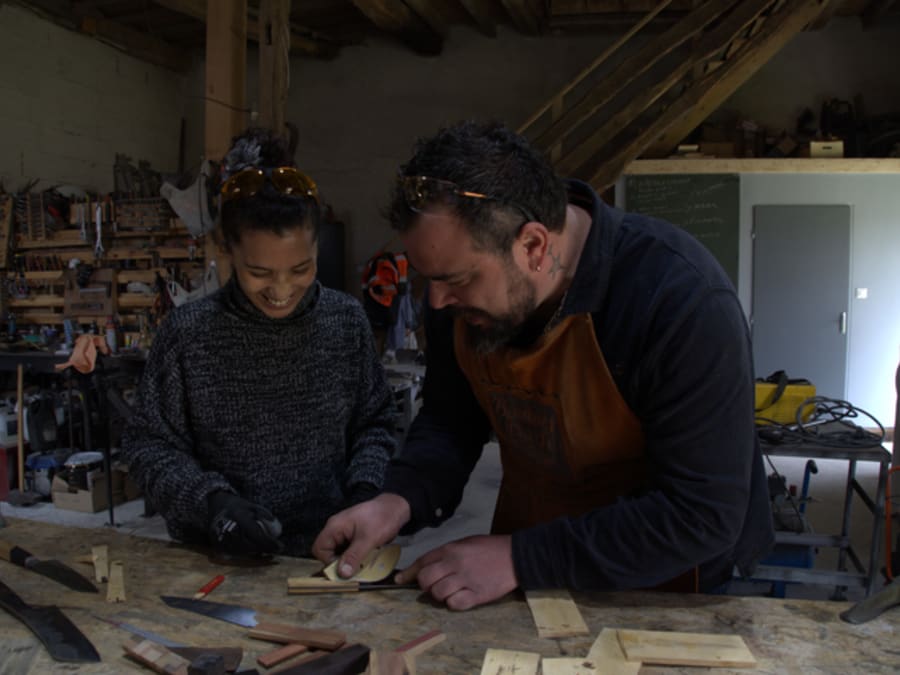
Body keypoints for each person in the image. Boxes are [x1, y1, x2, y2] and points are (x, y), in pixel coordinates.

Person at [313, 120, 774, 609]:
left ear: (533, 246)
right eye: (429, 279)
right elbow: (451, 419)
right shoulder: (456, 298)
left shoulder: (679, 300)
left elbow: (701, 514)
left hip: (662, 582)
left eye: (457, 280)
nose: (438, 301)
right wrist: (398, 499)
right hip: (528, 566)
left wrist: (520, 558)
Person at [122, 127, 397, 558]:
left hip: (329, 552)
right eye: (259, 272)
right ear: (227, 248)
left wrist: (364, 495)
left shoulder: (345, 321)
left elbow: (375, 423)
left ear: (317, 245)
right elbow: (149, 445)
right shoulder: (188, 333)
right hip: (220, 557)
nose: (282, 290)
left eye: (301, 268)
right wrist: (213, 504)